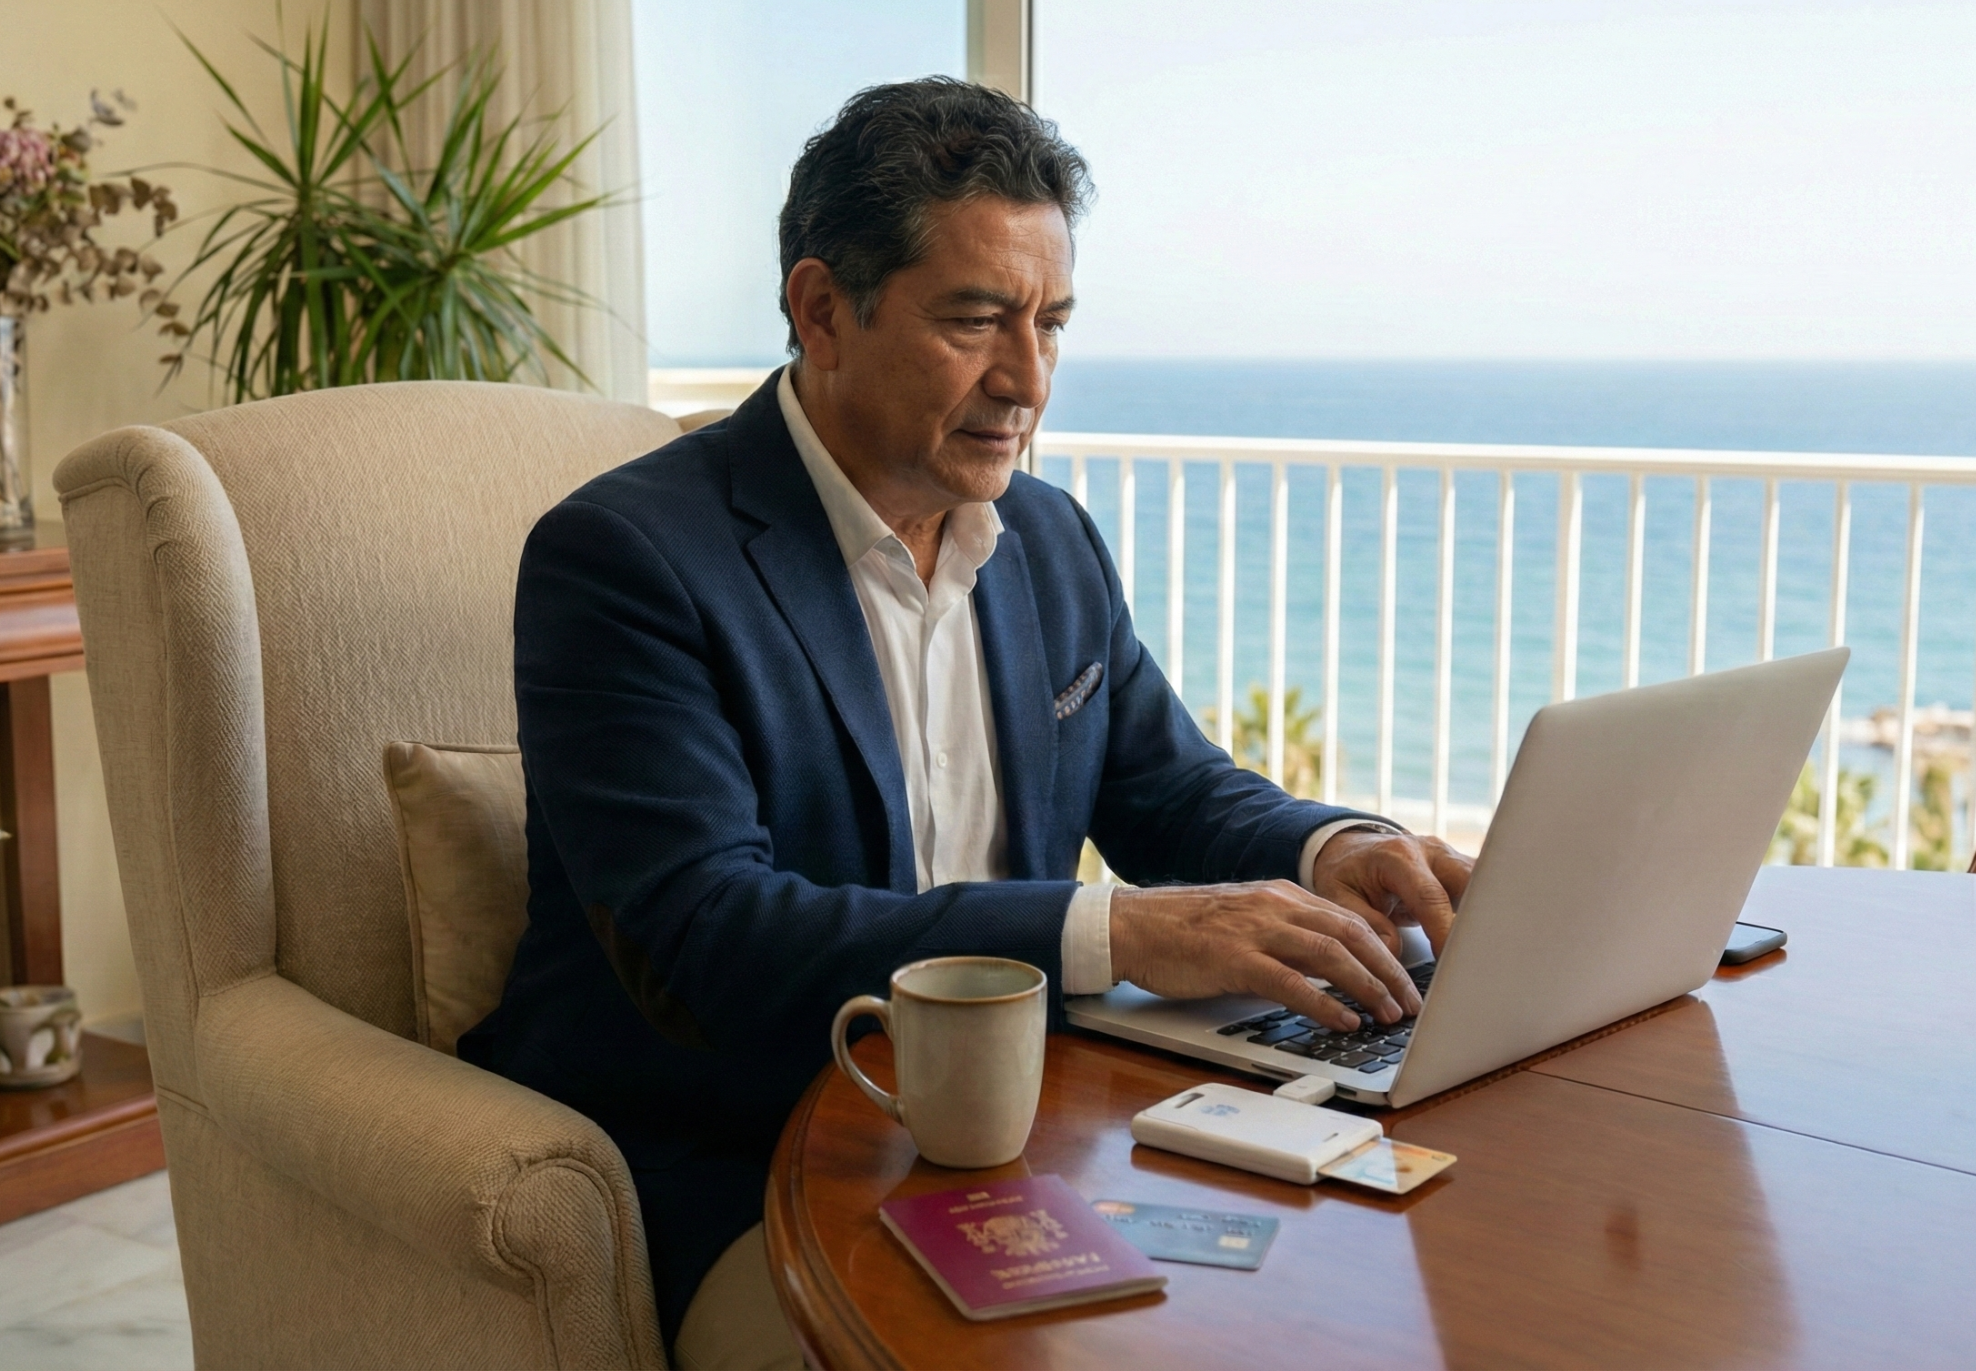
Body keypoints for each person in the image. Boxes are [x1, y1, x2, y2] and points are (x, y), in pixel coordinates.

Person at [459, 77, 1475, 1366]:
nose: (1028, 378)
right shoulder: (626, 558)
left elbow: (1167, 790)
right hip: (740, 1152)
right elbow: (709, 939)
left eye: (1052, 321)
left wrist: (1340, 850)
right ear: (822, 309)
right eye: (976, 320)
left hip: (1024, 1134)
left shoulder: (1046, 539)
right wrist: (1128, 930)